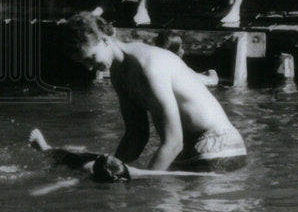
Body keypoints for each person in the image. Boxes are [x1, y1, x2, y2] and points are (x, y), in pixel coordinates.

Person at [68, 12, 247, 172]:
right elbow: (135, 136)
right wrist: (110, 170)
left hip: (217, 146)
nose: (90, 68)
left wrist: (145, 185)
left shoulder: (148, 66)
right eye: (84, 63)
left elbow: (173, 142)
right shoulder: (119, 74)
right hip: (191, 149)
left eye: (91, 58)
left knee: (158, 201)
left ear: (105, 39)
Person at [27, 129, 206, 182]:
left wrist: (204, 175)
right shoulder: (84, 174)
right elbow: (60, 185)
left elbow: (167, 174)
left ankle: (48, 148)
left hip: (91, 160)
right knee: (59, 155)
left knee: (75, 153)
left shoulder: (127, 171)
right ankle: (45, 147)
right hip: (78, 159)